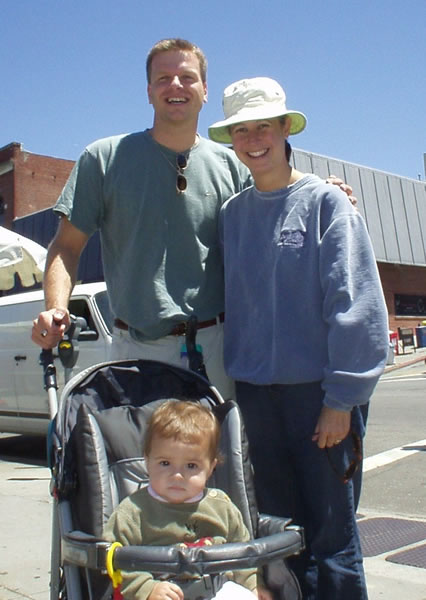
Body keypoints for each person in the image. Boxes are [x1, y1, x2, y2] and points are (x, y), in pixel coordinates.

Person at [31, 38, 355, 401]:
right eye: (163, 78)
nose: (176, 86)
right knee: (139, 442)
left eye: (187, 77)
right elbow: (66, 246)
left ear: (204, 90)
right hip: (134, 350)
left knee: (222, 441)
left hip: (218, 350)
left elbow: (281, 207)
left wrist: (321, 191)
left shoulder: (235, 166)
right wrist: (55, 308)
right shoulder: (103, 159)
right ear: (149, 92)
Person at [208, 77, 389, 599]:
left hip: (319, 399)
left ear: (286, 128)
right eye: (241, 130)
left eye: (264, 126)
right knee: (280, 538)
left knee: (334, 540)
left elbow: (357, 306)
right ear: (231, 140)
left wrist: (341, 401)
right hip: (257, 401)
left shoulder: (327, 203)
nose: (253, 139)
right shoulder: (232, 215)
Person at [103, 400, 272, 600]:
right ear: (147, 461)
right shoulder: (133, 512)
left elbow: (243, 552)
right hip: (161, 589)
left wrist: (253, 585)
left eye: (191, 466)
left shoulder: (221, 506)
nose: (177, 475)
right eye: (165, 463)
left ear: (210, 468)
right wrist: (146, 588)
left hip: (217, 588)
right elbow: (114, 558)